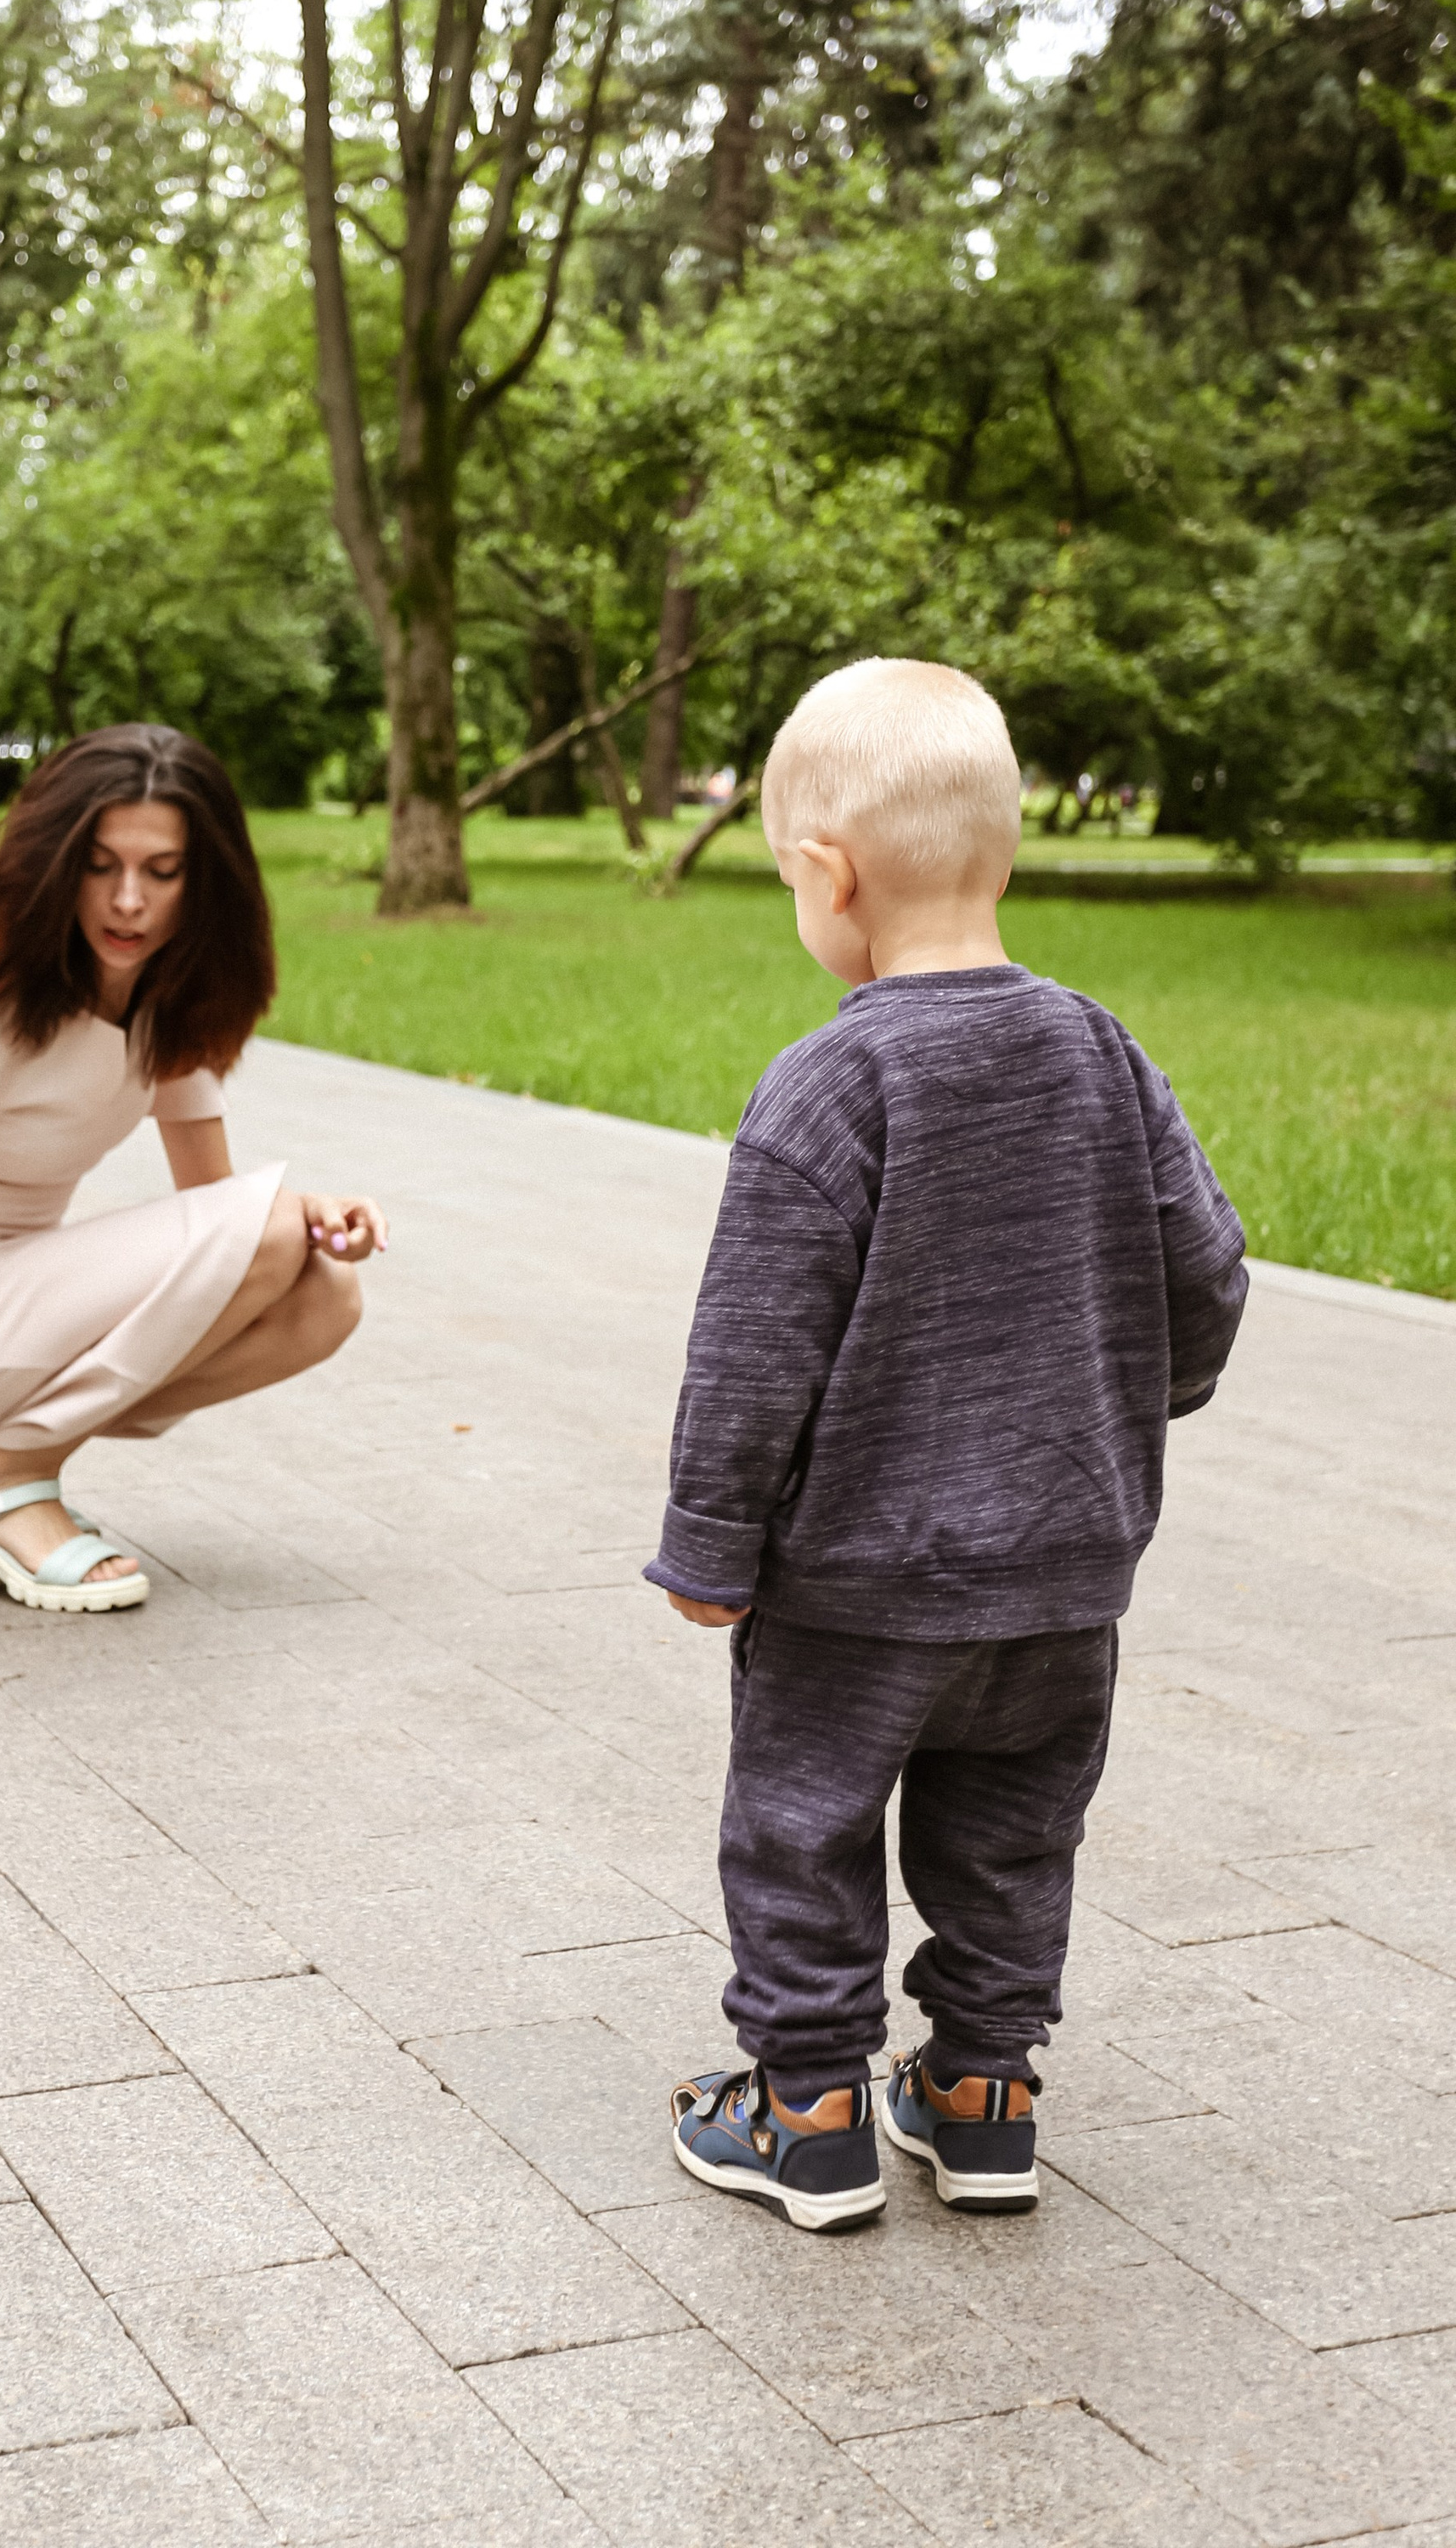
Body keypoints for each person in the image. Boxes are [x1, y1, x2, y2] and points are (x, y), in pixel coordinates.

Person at [652, 659, 1245, 2231]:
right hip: (1063, 1572)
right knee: (1014, 1837)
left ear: (826, 872)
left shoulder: (833, 1081)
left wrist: (711, 1545)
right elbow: (1206, 1271)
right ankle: (984, 2098)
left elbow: (753, 1348)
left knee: (804, 1827)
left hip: (856, 1586)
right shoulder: (1102, 1052)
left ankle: (809, 2112)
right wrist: (1127, 1407)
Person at [0, 723, 387, 1614]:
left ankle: (2, 1470)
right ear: (53, 864)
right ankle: (1, 1483)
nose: (128, 902)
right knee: (272, 1226)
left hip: (14, 1326)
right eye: (99, 866)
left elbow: (220, 1221)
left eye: (163, 871)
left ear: (205, 881)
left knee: (323, 1292)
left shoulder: (164, 1007)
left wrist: (318, 1218)